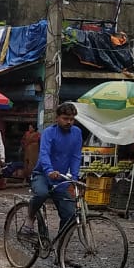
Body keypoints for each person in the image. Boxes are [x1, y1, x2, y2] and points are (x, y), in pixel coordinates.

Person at [29, 103, 84, 240]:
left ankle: (60, 248)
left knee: (70, 214)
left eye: (71, 119)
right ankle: (30, 217)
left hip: (61, 179)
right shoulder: (49, 132)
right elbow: (44, 153)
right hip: (43, 174)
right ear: (57, 118)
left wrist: (75, 177)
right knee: (41, 193)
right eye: (65, 118)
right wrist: (49, 170)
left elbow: (76, 156)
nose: (69, 122)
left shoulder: (77, 133)